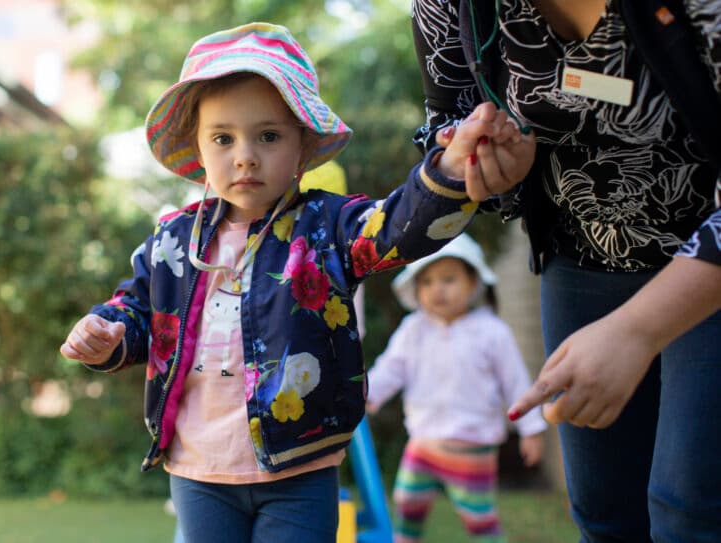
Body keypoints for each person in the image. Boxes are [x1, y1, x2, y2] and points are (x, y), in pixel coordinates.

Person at [59, 22, 493, 543]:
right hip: (199, 469)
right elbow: (137, 309)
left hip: (300, 466)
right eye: (224, 138)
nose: (245, 155)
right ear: (198, 151)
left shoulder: (327, 227)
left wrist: (447, 169)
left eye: (268, 136)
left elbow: (398, 228)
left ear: (303, 148)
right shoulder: (173, 240)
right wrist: (108, 332)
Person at [411, 1, 721, 541]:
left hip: (707, 274)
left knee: (690, 511)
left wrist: (638, 329)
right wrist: (477, 162)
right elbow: (444, 126)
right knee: (604, 514)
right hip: (577, 262)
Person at [366, 233, 545, 543]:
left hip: (472, 447)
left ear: (473, 282)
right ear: (416, 288)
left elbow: (516, 383)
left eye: (449, 279)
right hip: (423, 443)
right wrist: (370, 394)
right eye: (428, 282)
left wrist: (531, 429)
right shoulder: (414, 329)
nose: (437, 289)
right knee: (407, 503)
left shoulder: (492, 333)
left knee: (479, 518)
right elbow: (390, 368)